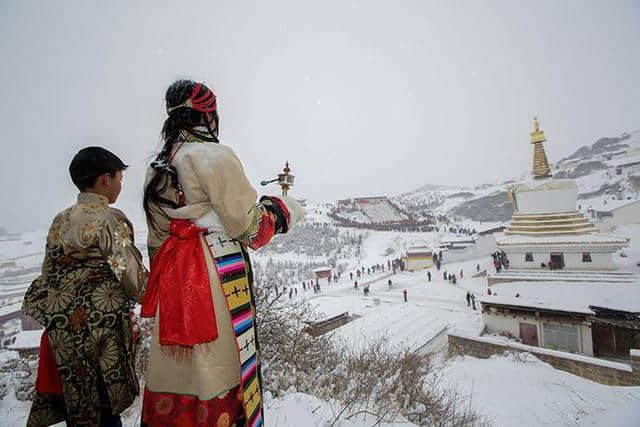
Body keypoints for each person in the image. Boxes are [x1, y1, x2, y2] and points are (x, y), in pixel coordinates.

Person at [141, 80, 303, 426]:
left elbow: (156, 242)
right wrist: (283, 208)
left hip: (172, 275)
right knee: (216, 366)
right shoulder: (214, 155)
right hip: (214, 274)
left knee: (179, 373)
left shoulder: (156, 168)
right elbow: (250, 229)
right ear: (208, 115)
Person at [23, 147, 148, 426]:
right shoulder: (109, 219)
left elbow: (48, 274)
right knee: (104, 412)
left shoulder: (61, 220)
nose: (119, 184)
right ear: (106, 179)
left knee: (78, 409)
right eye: (118, 177)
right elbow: (129, 276)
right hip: (100, 335)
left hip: (62, 333)